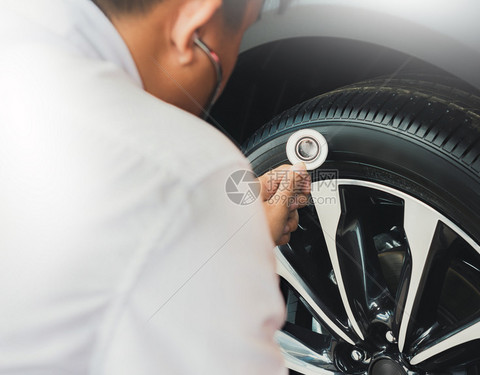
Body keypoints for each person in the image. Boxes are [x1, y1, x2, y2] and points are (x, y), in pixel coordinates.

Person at [0, 0, 310, 374]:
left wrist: (217, 225)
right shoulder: (185, 174)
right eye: (242, 33)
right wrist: (225, 236)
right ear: (194, 26)